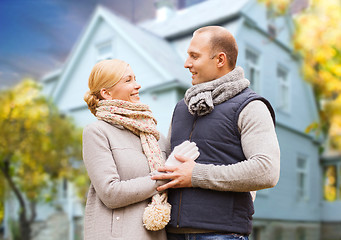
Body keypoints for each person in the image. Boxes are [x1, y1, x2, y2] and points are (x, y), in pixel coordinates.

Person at [152, 26, 281, 240]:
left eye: (194, 56)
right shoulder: (182, 107)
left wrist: (195, 175)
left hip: (222, 235)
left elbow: (266, 170)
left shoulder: (251, 106)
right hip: (172, 234)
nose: (187, 63)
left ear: (220, 60)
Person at [82, 59, 173, 240]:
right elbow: (110, 193)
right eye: (128, 80)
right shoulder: (97, 132)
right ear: (106, 93)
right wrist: (164, 180)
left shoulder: (155, 136)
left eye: (135, 79)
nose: (137, 85)